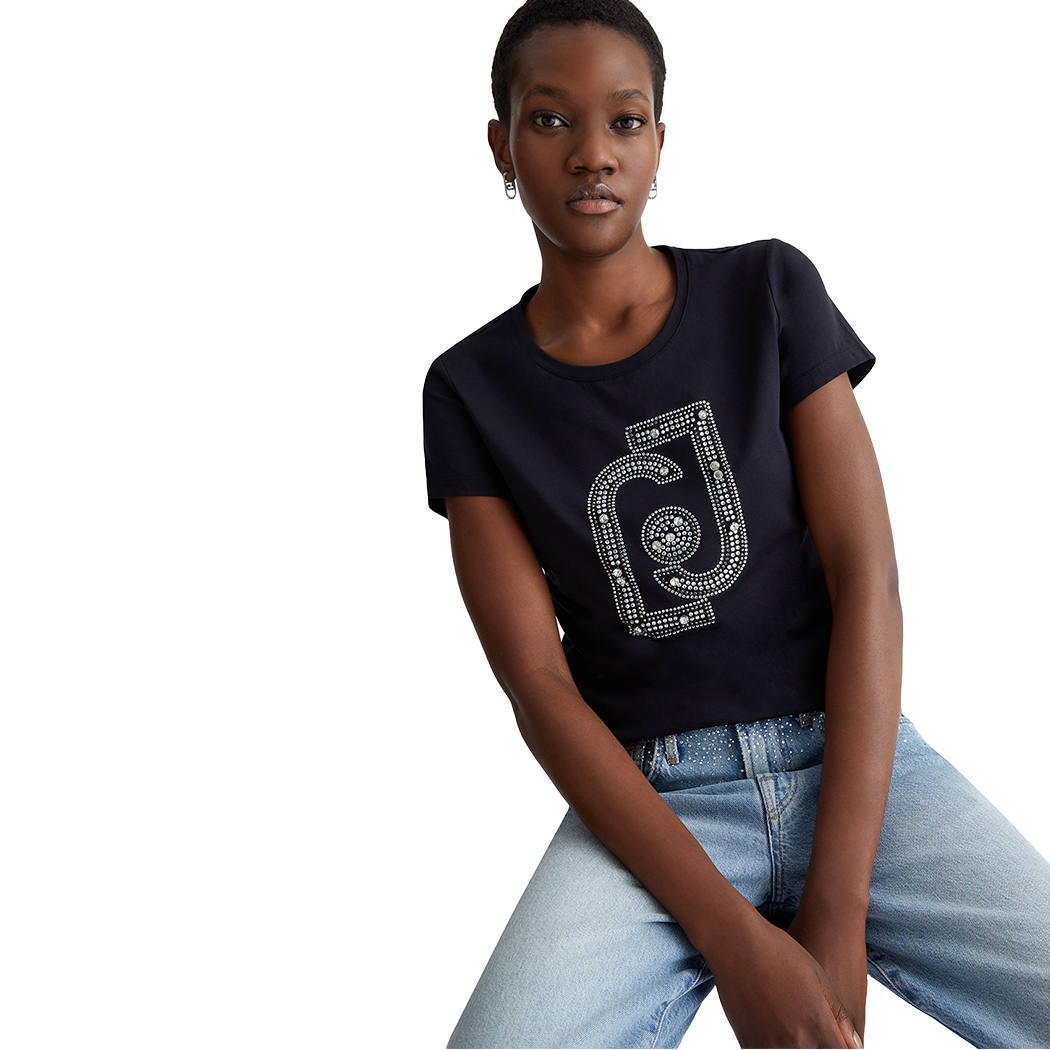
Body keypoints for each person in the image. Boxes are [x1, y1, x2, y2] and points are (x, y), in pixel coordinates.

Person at [421, 1, 1050, 1046]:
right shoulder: (469, 389)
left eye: (625, 121)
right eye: (550, 119)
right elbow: (537, 685)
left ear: (660, 141)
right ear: (500, 145)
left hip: (854, 762)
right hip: (652, 803)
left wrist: (836, 908)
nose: (592, 153)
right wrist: (734, 941)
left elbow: (867, 578)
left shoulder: (765, 289)